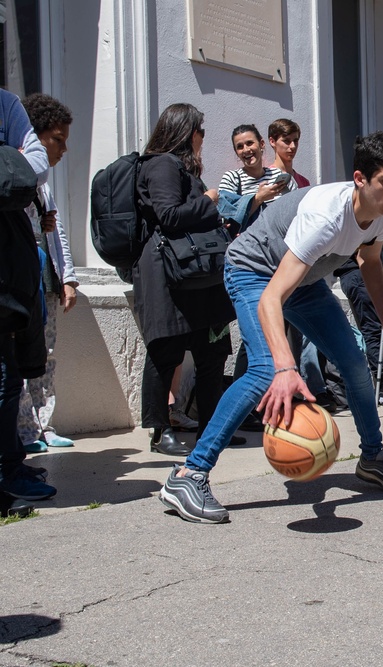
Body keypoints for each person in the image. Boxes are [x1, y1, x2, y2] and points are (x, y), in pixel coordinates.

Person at [159, 131, 383, 524]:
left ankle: (372, 458)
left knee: (353, 363)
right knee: (265, 368)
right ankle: (188, 474)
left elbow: (369, 262)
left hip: (301, 282)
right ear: (360, 179)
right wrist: (286, 367)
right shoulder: (325, 216)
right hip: (254, 273)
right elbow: (270, 299)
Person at [133, 104, 236, 457]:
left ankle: (212, 430)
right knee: (166, 352)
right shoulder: (161, 164)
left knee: (213, 352)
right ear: (184, 131)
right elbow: (169, 215)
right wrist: (209, 200)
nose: (203, 139)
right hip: (170, 276)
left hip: (200, 278)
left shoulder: (184, 168)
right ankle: (161, 432)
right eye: (200, 131)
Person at [0, 87, 55, 507]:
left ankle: (10, 465)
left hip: (9, 262)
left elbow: (35, 166)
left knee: (10, 370)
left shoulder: (6, 103)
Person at [17, 93, 78, 452]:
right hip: (20, 282)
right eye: (57, 139)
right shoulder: (15, 176)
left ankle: (44, 424)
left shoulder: (44, 186)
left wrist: (67, 277)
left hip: (45, 281)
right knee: (20, 357)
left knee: (45, 354)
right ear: (35, 137)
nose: (63, 149)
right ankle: (24, 430)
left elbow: (57, 234)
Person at [218, 124, 288, 223]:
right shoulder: (231, 178)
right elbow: (226, 220)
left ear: (262, 144)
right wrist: (258, 199)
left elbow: (296, 208)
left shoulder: (279, 175)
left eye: (249, 143)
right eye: (240, 147)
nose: (246, 150)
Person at [268, 118, 310, 188]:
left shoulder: (304, 182)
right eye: (286, 141)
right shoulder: (266, 178)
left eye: (295, 140)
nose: (293, 146)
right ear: (272, 141)